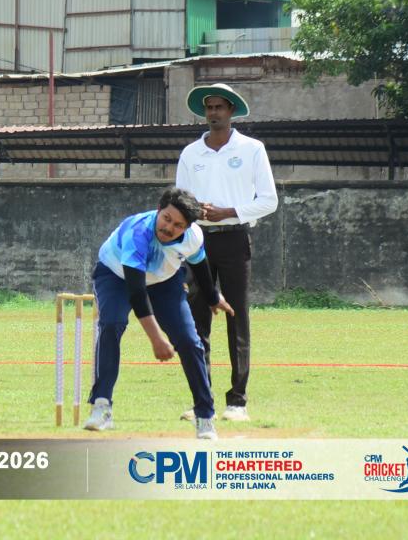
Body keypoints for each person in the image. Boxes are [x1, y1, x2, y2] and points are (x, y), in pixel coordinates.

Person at [83, 187, 234, 440]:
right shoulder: (138, 233)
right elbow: (137, 293)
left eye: (178, 225)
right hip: (116, 274)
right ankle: (102, 407)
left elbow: (199, 264)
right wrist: (156, 339)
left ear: (187, 227)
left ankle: (205, 417)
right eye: (166, 219)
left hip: (164, 280)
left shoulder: (193, 237)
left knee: (189, 341)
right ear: (159, 210)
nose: (169, 228)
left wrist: (212, 296)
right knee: (111, 323)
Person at [176, 83, 278, 423]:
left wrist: (228, 212)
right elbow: (179, 201)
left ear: (231, 110)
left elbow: (269, 201)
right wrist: (197, 211)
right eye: (209, 108)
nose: (214, 113)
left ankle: (237, 401)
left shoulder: (252, 149)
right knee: (196, 322)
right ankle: (201, 401)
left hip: (235, 238)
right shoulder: (191, 153)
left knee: (237, 318)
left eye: (220, 107)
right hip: (197, 242)